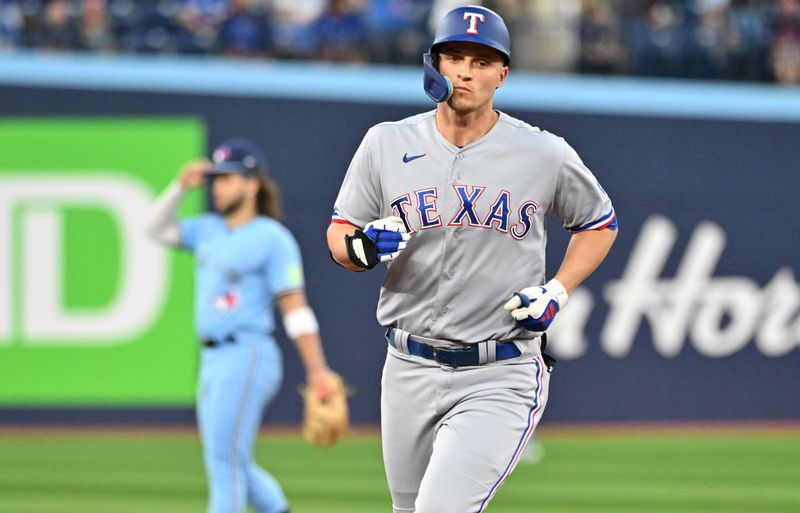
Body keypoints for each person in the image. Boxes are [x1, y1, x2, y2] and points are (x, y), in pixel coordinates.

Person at [326, 6, 618, 513]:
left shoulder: (542, 153)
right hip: (406, 365)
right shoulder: (386, 142)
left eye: (482, 61)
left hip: (498, 369)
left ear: (502, 74)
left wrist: (558, 289)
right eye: (454, 57)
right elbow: (341, 230)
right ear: (433, 65)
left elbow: (599, 223)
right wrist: (361, 248)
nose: (465, 70)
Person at [148, 138, 338, 513]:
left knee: (224, 465)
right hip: (213, 359)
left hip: (247, 354)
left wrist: (317, 369)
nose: (219, 185)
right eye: (215, 178)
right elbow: (154, 230)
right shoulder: (207, 230)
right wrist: (180, 186)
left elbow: (295, 309)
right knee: (233, 461)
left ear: (252, 183)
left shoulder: (272, 238)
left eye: (229, 178)